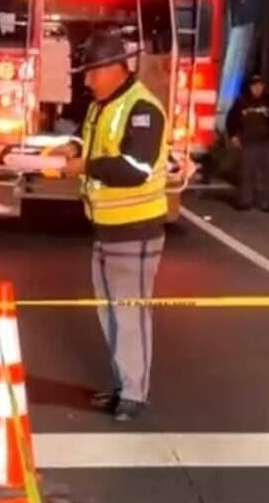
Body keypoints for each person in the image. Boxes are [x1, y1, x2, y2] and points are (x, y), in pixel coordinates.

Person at [54, 29, 168, 422]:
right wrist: (72, 149)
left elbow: (135, 168)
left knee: (130, 315)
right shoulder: (102, 106)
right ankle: (122, 385)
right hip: (106, 229)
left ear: (115, 68)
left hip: (135, 231)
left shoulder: (142, 109)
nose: (86, 81)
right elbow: (94, 144)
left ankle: (134, 394)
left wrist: (83, 165)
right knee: (111, 313)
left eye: (92, 72)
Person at [224, 73, 269, 211]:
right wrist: (233, 136)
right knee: (247, 173)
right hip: (248, 142)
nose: (257, 88)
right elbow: (231, 119)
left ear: (263, 86)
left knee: (268, 174)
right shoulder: (241, 102)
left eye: (260, 85)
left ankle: (268, 202)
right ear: (250, 87)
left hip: (266, 142)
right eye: (254, 86)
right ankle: (245, 201)